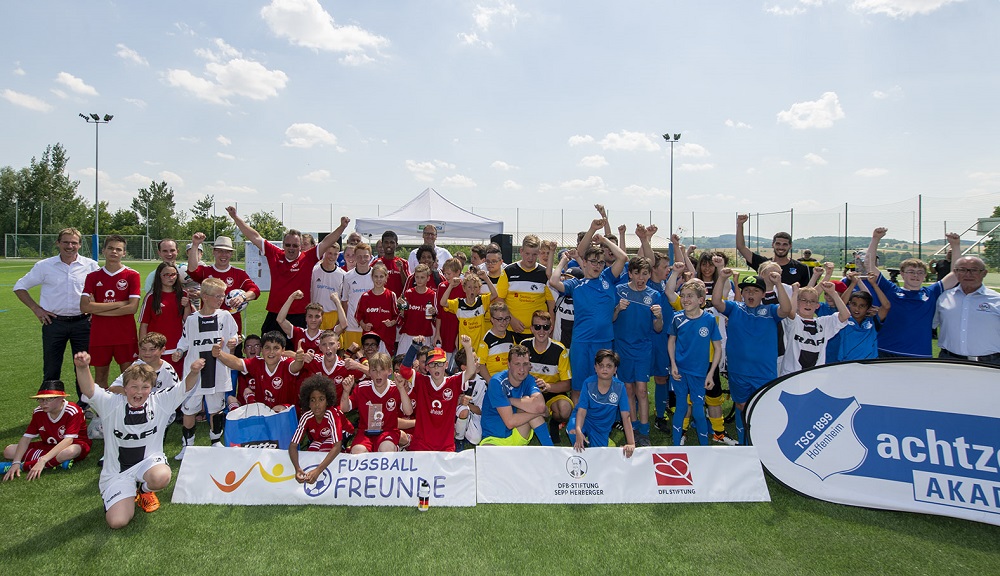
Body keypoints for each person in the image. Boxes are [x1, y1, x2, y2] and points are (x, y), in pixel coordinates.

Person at [74, 351, 204, 528]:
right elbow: (89, 390)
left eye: (145, 387)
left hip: (148, 463)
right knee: (117, 522)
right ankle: (125, 492)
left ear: (151, 388)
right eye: (134, 387)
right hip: (117, 473)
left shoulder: (160, 401)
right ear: (124, 387)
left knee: (162, 476)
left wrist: (194, 372)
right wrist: (82, 367)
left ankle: (143, 491)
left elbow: (185, 387)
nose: (139, 392)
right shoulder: (111, 403)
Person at [226, 205, 348, 335]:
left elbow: (327, 242)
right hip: (275, 312)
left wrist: (342, 227)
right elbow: (254, 236)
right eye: (288, 245)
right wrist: (235, 217)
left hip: (299, 315)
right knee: (268, 350)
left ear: (300, 246)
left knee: (296, 353)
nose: (291, 248)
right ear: (283, 245)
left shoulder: (308, 257)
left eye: (295, 245)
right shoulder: (275, 253)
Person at [13, 227, 99, 399]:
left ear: (80, 245)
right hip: (54, 323)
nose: (70, 246)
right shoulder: (44, 266)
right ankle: (51, 405)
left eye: (74, 243)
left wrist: (94, 309)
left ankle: (84, 405)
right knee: (52, 367)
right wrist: (36, 308)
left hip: (83, 323)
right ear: (58, 243)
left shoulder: (90, 265)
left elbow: (99, 290)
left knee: (82, 367)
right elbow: (19, 287)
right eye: (66, 242)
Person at [549, 219, 627, 403]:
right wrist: (563, 261)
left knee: (604, 382)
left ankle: (600, 418)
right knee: (579, 385)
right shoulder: (576, 284)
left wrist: (604, 240)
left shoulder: (608, 277)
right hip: (582, 341)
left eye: (600, 262)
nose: (597, 265)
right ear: (584, 262)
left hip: (604, 341)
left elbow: (622, 258)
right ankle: (579, 423)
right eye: (593, 261)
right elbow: (553, 281)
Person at [712, 267, 791, 444]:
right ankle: (744, 442)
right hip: (738, 372)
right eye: (747, 290)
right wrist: (722, 278)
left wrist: (778, 283)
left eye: (755, 291)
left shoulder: (770, 311)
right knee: (741, 406)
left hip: (763, 373)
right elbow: (717, 302)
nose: (750, 294)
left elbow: (786, 309)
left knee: (762, 408)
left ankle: (763, 442)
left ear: (763, 294)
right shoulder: (735, 308)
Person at [171, 277, 239, 459]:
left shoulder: (225, 316)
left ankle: (215, 441)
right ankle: (188, 446)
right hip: (195, 372)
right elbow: (185, 340)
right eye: (218, 296)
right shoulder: (193, 319)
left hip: (217, 371)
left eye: (223, 296)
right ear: (205, 297)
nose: (221, 299)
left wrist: (234, 340)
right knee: (189, 409)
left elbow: (234, 334)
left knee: (216, 408)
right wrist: (179, 351)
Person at [866, 227, 960, 357]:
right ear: (902, 274)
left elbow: (955, 274)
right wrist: (875, 239)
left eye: (920, 272)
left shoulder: (931, 292)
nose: (916, 275)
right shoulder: (892, 290)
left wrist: (955, 246)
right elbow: (870, 266)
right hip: (886, 351)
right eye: (911, 272)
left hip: (919, 354)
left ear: (925, 275)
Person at [612, 256, 664, 447]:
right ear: (630, 274)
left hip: (643, 347)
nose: (641, 278)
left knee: (642, 390)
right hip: (622, 347)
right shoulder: (620, 290)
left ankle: (644, 430)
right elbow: (611, 318)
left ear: (649, 274)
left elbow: (658, 328)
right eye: (637, 273)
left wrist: (658, 317)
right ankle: (632, 427)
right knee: (628, 389)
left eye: (645, 273)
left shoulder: (654, 295)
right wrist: (618, 308)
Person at [80, 235, 141, 388]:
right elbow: (85, 307)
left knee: (130, 376)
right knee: (100, 377)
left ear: (124, 253)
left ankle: (130, 410)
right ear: (103, 251)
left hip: (125, 334)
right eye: (110, 248)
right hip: (100, 335)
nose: (114, 251)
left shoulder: (132, 275)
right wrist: (120, 303)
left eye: (118, 249)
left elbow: (132, 308)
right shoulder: (93, 276)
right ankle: (102, 411)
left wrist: (97, 309)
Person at [399, 335, 477, 451]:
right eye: (432, 364)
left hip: (446, 445)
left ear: (446, 365)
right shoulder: (421, 381)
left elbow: (470, 371)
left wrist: (468, 347)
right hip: (422, 444)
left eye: (439, 364)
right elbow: (404, 370)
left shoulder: (453, 382)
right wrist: (414, 347)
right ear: (427, 368)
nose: (436, 368)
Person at [667, 280, 722, 446]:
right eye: (683, 296)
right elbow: (671, 342)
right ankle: (676, 445)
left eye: (690, 296)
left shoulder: (709, 320)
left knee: (698, 410)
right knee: (681, 408)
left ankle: (704, 446)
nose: (685, 299)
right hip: (680, 372)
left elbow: (718, 348)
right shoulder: (677, 318)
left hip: (699, 373)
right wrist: (673, 365)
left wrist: (711, 373)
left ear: (701, 300)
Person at [1, 380, 91, 479]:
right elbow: (26, 438)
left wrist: (42, 461)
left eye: (49, 399)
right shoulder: (38, 412)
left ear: (62, 397)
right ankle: (58, 461)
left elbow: (68, 440)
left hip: (73, 444)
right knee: (8, 451)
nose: (44, 403)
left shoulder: (73, 410)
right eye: (41, 400)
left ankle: (24, 466)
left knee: (70, 452)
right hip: (48, 445)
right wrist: (16, 462)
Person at [478, 345, 554, 446]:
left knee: (531, 403)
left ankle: (551, 450)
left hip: (517, 434)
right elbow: (509, 422)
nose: (522, 369)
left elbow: (540, 406)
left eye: (525, 364)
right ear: (509, 364)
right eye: (517, 364)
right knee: (531, 406)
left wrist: (512, 400)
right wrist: (539, 413)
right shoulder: (497, 382)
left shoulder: (529, 379)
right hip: (494, 439)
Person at [187, 233, 260, 336]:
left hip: (232, 328)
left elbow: (255, 290)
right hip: (208, 327)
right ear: (214, 252)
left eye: (227, 252)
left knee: (231, 352)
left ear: (231, 254)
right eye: (220, 251)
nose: (223, 255)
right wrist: (195, 245)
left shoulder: (239, 273)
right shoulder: (206, 271)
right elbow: (192, 270)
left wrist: (242, 297)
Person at [216, 331, 307, 412]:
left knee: (277, 409)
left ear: (283, 350)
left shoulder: (286, 363)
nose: (271, 352)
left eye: (276, 348)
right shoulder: (257, 363)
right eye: (267, 348)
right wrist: (219, 354)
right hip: (263, 412)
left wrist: (299, 360)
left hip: (285, 412)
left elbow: (296, 367)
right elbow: (237, 362)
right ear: (262, 350)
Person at [340, 352, 413, 453]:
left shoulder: (395, 388)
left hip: (388, 432)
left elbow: (408, 411)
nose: (378, 374)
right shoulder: (362, 388)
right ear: (369, 372)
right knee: (357, 451)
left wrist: (401, 389)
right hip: (365, 432)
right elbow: (344, 408)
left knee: (386, 449)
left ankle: (398, 448)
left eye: (382, 370)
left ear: (389, 371)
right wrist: (346, 391)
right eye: (374, 370)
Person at [568, 349, 635, 457]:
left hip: (602, 427)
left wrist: (631, 443)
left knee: (598, 455)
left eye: (609, 366)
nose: (604, 369)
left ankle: (602, 441)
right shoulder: (588, 383)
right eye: (601, 365)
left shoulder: (620, 387)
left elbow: (625, 416)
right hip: (585, 420)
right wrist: (578, 429)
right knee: (574, 432)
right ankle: (581, 447)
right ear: (595, 368)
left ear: (615, 369)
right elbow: (581, 412)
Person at [936, 255, 1000, 365]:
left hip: (991, 362)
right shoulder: (943, 298)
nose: (968, 274)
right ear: (955, 273)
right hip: (949, 360)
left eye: (974, 270)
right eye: (962, 270)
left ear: (984, 273)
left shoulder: (997, 300)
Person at [522, 310, 573, 444]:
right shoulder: (524, 346)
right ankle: (536, 424)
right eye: (537, 327)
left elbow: (567, 384)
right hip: (530, 392)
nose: (541, 331)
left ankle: (554, 422)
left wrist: (548, 386)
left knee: (565, 410)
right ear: (532, 328)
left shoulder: (559, 349)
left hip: (552, 391)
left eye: (545, 327)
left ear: (551, 329)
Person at [779, 282, 850, 376]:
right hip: (791, 374)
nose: (808, 304)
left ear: (817, 305)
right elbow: (790, 312)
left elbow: (845, 315)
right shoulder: (793, 322)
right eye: (804, 300)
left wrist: (833, 293)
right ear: (797, 302)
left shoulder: (824, 323)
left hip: (815, 375)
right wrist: (795, 293)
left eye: (812, 301)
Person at [288, 375, 344, 484]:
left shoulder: (331, 414)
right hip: (319, 439)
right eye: (313, 400)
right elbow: (293, 445)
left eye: (321, 399)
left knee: (326, 448)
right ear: (308, 402)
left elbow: (337, 446)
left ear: (328, 401)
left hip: (340, 437)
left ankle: (325, 478)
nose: (317, 404)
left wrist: (318, 471)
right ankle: (308, 476)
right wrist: (297, 468)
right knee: (312, 452)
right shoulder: (306, 416)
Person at [139, 262, 191, 375]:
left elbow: (187, 322)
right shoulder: (151, 297)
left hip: (176, 349)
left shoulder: (183, 294)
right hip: (154, 349)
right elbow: (144, 324)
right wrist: (142, 349)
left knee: (176, 382)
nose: (170, 277)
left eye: (173, 274)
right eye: (166, 274)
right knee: (153, 382)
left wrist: (187, 307)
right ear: (159, 276)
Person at [495, 234, 555, 334]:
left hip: (538, 333)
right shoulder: (509, 271)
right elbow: (499, 300)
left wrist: (550, 329)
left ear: (538, 253)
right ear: (521, 251)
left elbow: (551, 304)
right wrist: (511, 319)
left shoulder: (545, 273)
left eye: (534, 254)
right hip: (511, 330)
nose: (530, 258)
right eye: (527, 253)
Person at [735, 213, 811, 287]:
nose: (781, 247)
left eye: (785, 244)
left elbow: (807, 292)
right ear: (772, 244)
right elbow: (741, 247)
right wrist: (740, 224)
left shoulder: (801, 268)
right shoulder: (763, 264)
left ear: (790, 246)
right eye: (778, 244)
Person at [831, 272, 890, 362]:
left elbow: (886, 306)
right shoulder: (843, 319)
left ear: (868, 308)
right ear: (849, 304)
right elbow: (841, 303)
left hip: (869, 364)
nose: (857, 309)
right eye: (854, 304)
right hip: (846, 364)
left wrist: (874, 284)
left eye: (862, 306)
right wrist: (853, 283)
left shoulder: (873, 321)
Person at [277, 291, 345, 355]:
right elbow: (280, 320)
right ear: (306, 318)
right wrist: (291, 297)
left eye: (317, 316)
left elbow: (343, 325)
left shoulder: (327, 334)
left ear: (322, 319)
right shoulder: (298, 332)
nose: (313, 320)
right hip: (300, 367)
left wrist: (337, 301)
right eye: (310, 316)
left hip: (321, 367)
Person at [354, 262, 398, 355]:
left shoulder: (391, 295)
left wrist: (391, 323)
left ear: (386, 277)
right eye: (376, 276)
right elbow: (358, 315)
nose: (378, 279)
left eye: (381, 276)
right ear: (372, 277)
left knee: (384, 367)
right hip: (370, 339)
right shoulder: (365, 296)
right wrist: (364, 325)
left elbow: (397, 316)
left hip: (385, 338)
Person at [475, 301, 525, 380]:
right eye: (500, 319)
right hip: (495, 381)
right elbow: (481, 365)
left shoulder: (510, 336)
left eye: (506, 319)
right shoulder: (487, 340)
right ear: (492, 319)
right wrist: (491, 382)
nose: (504, 322)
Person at [341, 242, 376, 351]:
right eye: (359, 256)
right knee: (350, 357)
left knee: (370, 359)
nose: (362, 259)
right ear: (355, 257)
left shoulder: (376, 276)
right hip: (352, 326)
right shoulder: (347, 276)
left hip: (371, 325)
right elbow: (344, 300)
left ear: (370, 257)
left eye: (365, 256)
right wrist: (351, 318)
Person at [398, 264, 438, 353]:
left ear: (428, 278)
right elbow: (403, 314)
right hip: (408, 334)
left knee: (423, 364)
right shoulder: (408, 293)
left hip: (424, 335)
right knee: (402, 362)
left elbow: (436, 316)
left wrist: (434, 312)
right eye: (417, 277)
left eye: (422, 277)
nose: (419, 280)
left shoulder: (432, 295)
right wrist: (400, 306)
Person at [313, 243, 348, 331]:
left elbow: (344, 300)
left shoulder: (343, 275)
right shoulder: (314, 271)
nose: (332, 257)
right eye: (329, 253)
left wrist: (340, 320)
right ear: (324, 253)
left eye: (335, 254)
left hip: (333, 316)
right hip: (315, 315)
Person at [374, 230, 410, 301]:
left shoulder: (403, 263)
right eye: (386, 242)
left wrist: (401, 271)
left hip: (398, 303)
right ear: (383, 244)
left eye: (392, 242)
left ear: (396, 244)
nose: (389, 245)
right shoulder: (376, 263)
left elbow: (407, 285)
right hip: (380, 302)